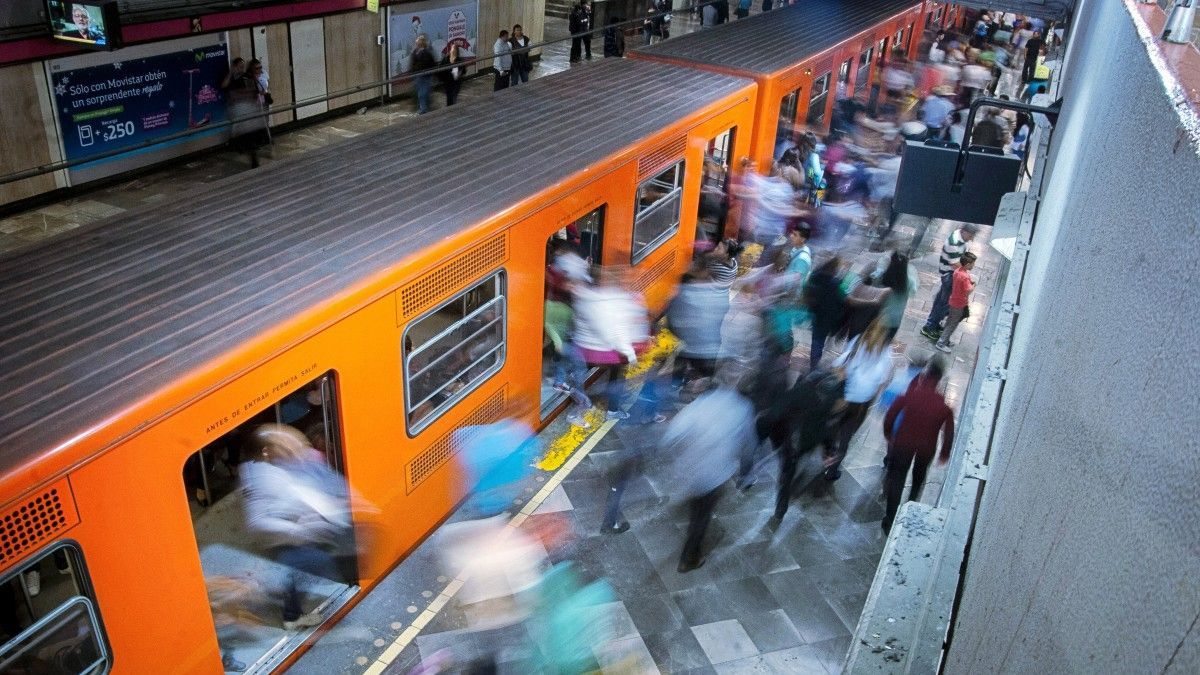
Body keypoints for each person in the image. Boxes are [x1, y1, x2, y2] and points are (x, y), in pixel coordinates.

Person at [241, 425, 351, 630]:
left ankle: (290, 608)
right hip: (292, 541)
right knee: (313, 568)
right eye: (284, 445)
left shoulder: (285, 464)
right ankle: (293, 616)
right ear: (268, 451)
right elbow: (256, 522)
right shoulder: (262, 478)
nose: (292, 449)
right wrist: (297, 529)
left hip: (305, 534)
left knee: (300, 574)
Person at [663, 377, 757, 572]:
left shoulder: (696, 407)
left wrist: (677, 459)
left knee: (696, 507)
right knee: (702, 516)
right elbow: (749, 445)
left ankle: (691, 540)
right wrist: (745, 472)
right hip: (715, 475)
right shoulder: (742, 409)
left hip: (690, 470)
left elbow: (670, 438)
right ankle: (689, 558)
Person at [763, 367, 846, 525]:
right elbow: (826, 427)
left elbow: (777, 413)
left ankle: (780, 509)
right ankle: (789, 486)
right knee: (796, 461)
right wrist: (829, 450)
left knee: (787, 473)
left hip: (792, 442)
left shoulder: (802, 389)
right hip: (809, 441)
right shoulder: (831, 398)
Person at [881, 358, 955, 532]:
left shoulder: (909, 396)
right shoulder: (944, 408)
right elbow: (949, 433)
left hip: (903, 443)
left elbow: (891, 416)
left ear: (924, 377)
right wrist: (944, 453)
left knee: (897, 478)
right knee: (918, 478)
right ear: (938, 381)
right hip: (926, 448)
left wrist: (889, 434)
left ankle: (890, 519)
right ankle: (910, 510)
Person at [571, 269, 649, 420]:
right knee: (617, 377)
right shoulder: (610, 301)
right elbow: (615, 331)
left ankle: (576, 388)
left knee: (582, 369)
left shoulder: (582, 297)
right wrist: (630, 353)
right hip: (606, 350)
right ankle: (612, 410)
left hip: (583, 348)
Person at [825, 321, 895, 480]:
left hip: (845, 394)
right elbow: (883, 381)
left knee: (834, 425)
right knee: (846, 436)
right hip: (861, 402)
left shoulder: (858, 340)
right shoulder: (886, 352)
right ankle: (832, 470)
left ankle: (827, 453)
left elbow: (840, 362)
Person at [921, 224, 979, 341]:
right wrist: (967, 277)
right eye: (970, 236)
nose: (971, 239)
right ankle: (929, 327)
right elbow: (955, 264)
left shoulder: (959, 238)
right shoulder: (954, 243)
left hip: (950, 275)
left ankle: (933, 324)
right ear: (964, 231)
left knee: (941, 301)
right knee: (944, 304)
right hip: (949, 276)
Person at [222, 58, 268, 168]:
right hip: (239, 109)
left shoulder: (247, 77)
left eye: (242, 66)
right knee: (243, 134)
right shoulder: (231, 78)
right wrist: (231, 73)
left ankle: (253, 156)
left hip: (246, 108)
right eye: (239, 66)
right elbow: (224, 86)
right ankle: (249, 153)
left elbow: (253, 90)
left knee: (249, 135)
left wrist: (241, 94)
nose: (241, 69)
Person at [804, 256, 846, 369]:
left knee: (816, 340)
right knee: (820, 341)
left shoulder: (814, 276)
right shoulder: (835, 283)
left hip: (816, 314)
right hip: (827, 318)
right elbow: (841, 301)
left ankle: (813, 364)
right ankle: (814, 366)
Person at [935, 251, 976, 352]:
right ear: (967, 264)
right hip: (959, 303)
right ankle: (941, 343)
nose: (974, 265)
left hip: (953, 300)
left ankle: (946, 340)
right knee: (952, 324)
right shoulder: (965, 276)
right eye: (973, 264)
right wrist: (973, 285)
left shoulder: (957, 271)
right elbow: (968, 291)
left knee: (950, 321)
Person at [874, 250, 917, 344]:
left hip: (878, 316)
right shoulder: (910, 281)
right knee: (884, 345)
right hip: (895, 319)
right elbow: (913, 292)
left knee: (871, 342)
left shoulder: (883, 276)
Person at [410, 35, 437, 114]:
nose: (417, 44)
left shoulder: (427, 53)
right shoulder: (415, 52)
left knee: (423, 93)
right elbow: (413, 63)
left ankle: (423, 109)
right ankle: (424, 107)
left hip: (425, 76)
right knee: (421, 93)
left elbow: (431, 64)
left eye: (418, 43)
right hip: (417, 76)